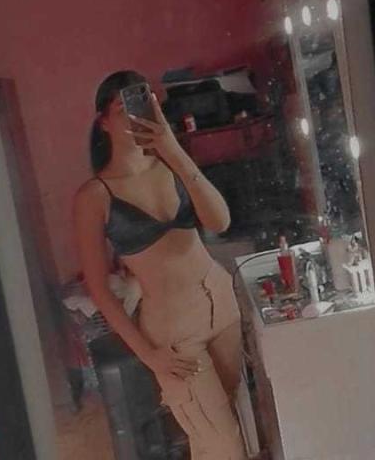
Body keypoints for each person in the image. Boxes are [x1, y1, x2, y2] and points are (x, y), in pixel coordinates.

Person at [73, 70, 247, 459]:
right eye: (124, 107)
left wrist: (173, 149)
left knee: (212, 439)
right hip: (173, 331)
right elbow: (99, 289)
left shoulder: (171, 164)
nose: (137, 114)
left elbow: (220, 221)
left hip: (222, 306)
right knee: (227, 446)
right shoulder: (94, 196)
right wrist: (147, 354)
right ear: (104, 121)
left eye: (145, 102)